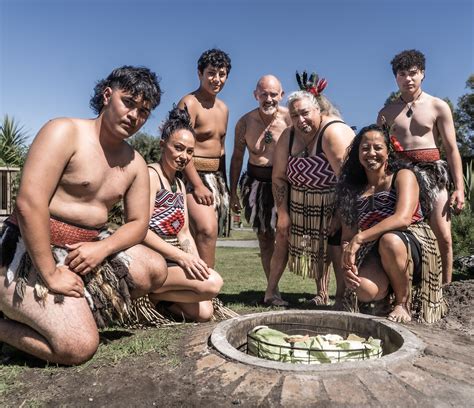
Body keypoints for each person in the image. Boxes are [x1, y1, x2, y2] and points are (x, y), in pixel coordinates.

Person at [0, 66, 168, 365]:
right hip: (28, 249)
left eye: (143, 111)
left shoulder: (136, 163)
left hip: (84, 251)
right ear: (107, 96)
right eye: (128, 102)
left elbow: (139, 224)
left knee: (153, 268)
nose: (134, 116)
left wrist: (102, 248)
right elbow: (29, 203)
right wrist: (51, 273)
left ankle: (62, 312)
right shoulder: (64, 131)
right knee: (77, 347)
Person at [337, 124, 447, 323]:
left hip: (412, 243)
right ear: (357, 154)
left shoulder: (403, 176)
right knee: (363, 289)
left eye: (378, 147)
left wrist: (360, 237)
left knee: (390, 240)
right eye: (365, 148)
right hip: (374, 248)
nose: (371, 153)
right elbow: (347, 237)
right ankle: (384, 297)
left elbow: (402, 219)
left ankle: (403, 302)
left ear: (388, 152)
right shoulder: (353, 190)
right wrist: (348, 265)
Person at [264, 73, 354, 307]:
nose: (300, 119)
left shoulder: (332, 133)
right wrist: (283, 213)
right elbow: (278, 176)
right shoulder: (288, 135)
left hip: (336, 200)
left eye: (305, 113)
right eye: (294, 115)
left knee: (335, 242)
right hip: (298, 202)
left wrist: (338, 215)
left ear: (318, 111)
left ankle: (343, 297)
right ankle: (271, 292)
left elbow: (348, 181)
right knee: (283, 237)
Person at [377, 49, 465, 285]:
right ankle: (402, 287)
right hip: (401, 177)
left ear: (423, 74)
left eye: (413, 73)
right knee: (400, 232)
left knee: (444, 236)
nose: (408, 79)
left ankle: (447, 288)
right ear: (396, 77)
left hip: (434, 175)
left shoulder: (438, 106)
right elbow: (380, 151)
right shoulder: (386, 113)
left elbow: (452, 148)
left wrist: (459, 188)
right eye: (402, 74)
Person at [143, 106, 223, 321]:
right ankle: (147, 293)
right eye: (178, 148)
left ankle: (155, 301)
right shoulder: (150, 175)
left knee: (205, 312)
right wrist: (181, 257)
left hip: (174, 259)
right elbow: (141, 231)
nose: (184, 156)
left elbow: (184, 232)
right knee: (213, 283)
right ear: (163, 145)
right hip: (153, 259)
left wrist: (196, 263)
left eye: (189, 151)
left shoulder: (179, 184)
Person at [229, 75, 291, 302]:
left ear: (281, 95)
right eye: (263, 94)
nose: (268, 99)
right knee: (265, 238)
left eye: (273, 94)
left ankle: (320, 290)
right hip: (255, 185)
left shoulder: (290, 118)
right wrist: (232, 191)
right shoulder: (245, 123)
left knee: (285, 236)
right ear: (256, 95)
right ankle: (272, 290)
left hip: (285, 185)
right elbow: (236, 159)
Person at [177, 48, 232, 269]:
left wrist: (226, 185)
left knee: (209, 234)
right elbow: (180, 147)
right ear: (199, 73)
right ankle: (207, 293)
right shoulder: (189, 103)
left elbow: (221, 148)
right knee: (206, 230)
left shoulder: (224, 108)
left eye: (221, 74)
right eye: (211, 73)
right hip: (192, 177)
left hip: (216, 178)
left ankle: (202, 290)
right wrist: (197, 185)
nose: (216, 79)